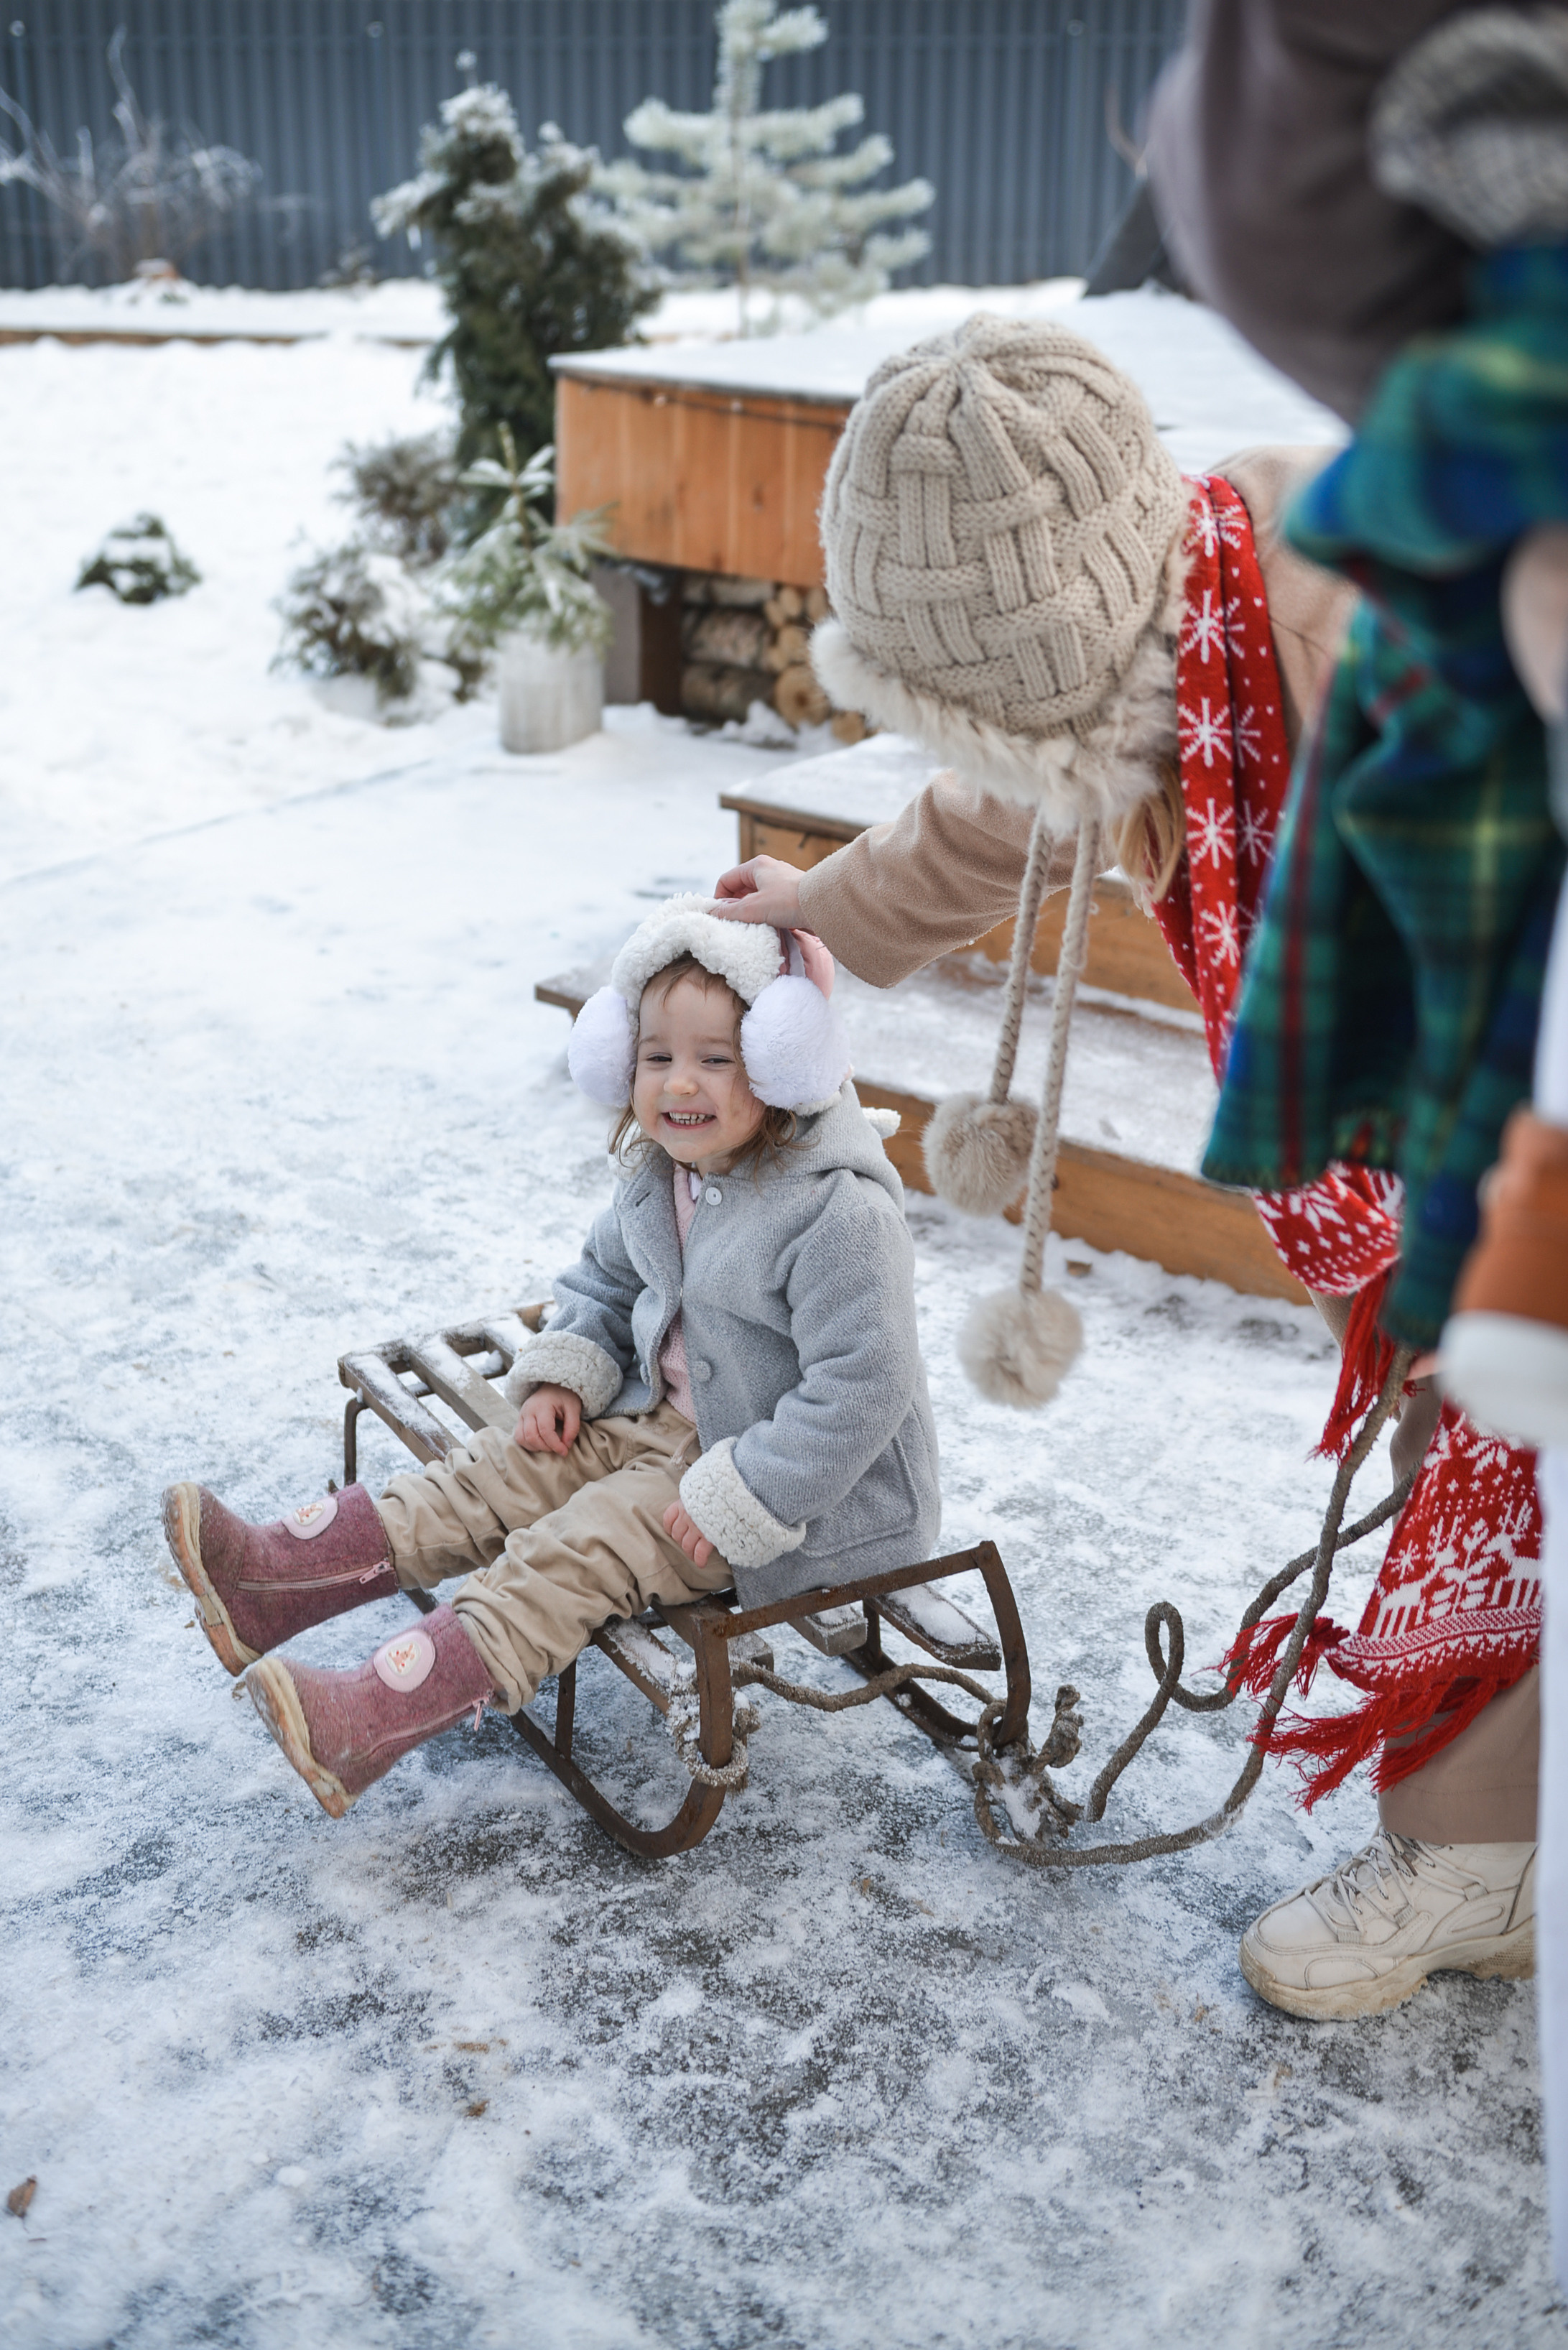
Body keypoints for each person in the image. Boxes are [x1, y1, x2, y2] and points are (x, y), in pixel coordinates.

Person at [710, 313, 1539, 2017]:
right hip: (1389, 1184)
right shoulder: (1149, 630)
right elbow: (991, 810)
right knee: (1470, 1459)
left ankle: (1468, 1861)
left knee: (1511, 1479)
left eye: (1023, 721)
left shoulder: (1390, 620)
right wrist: (825, 918)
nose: (1016, 763)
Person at [162, 897, 938, 1818]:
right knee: (499, 1470)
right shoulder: (666, 1174)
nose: (678, 1084)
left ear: (784, 1060)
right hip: (655, 1417)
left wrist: (753, 1490)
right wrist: (568, 1367)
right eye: (656, 1057)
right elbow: (606, 1281)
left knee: (576, 1549)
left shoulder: (839, 1215)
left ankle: (364, 1722)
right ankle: (269, 1584)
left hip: (793, 1493)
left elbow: (864, 1383)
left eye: (716, 1059)